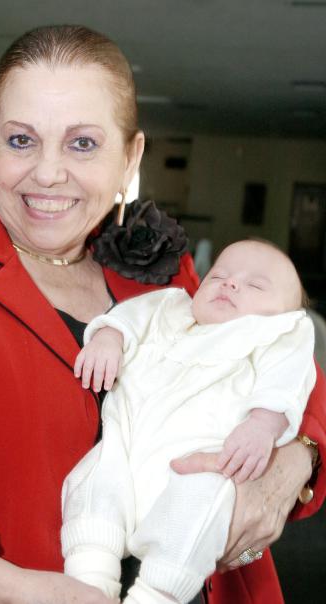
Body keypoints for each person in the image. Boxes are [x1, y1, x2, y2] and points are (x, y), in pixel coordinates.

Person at [0, 24, 324, 604]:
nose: (48, 172)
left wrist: (293, 461)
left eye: (82, 143)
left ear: (131, 155)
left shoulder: (163, 268)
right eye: (21, 140)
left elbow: (287, 357)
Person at [63, 239, 316, 604]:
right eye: (219, 275)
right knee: (92, 482)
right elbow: (126, 319)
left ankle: (156, 595)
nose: (230, 284)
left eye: (255, 285)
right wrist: (109, 338)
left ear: (286, 315)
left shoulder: (279, 335)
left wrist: (263, 425)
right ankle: (89, 581)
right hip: (126, 444)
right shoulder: (171, 305)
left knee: (201, 507)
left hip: (195, 464)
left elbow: (285, 385)